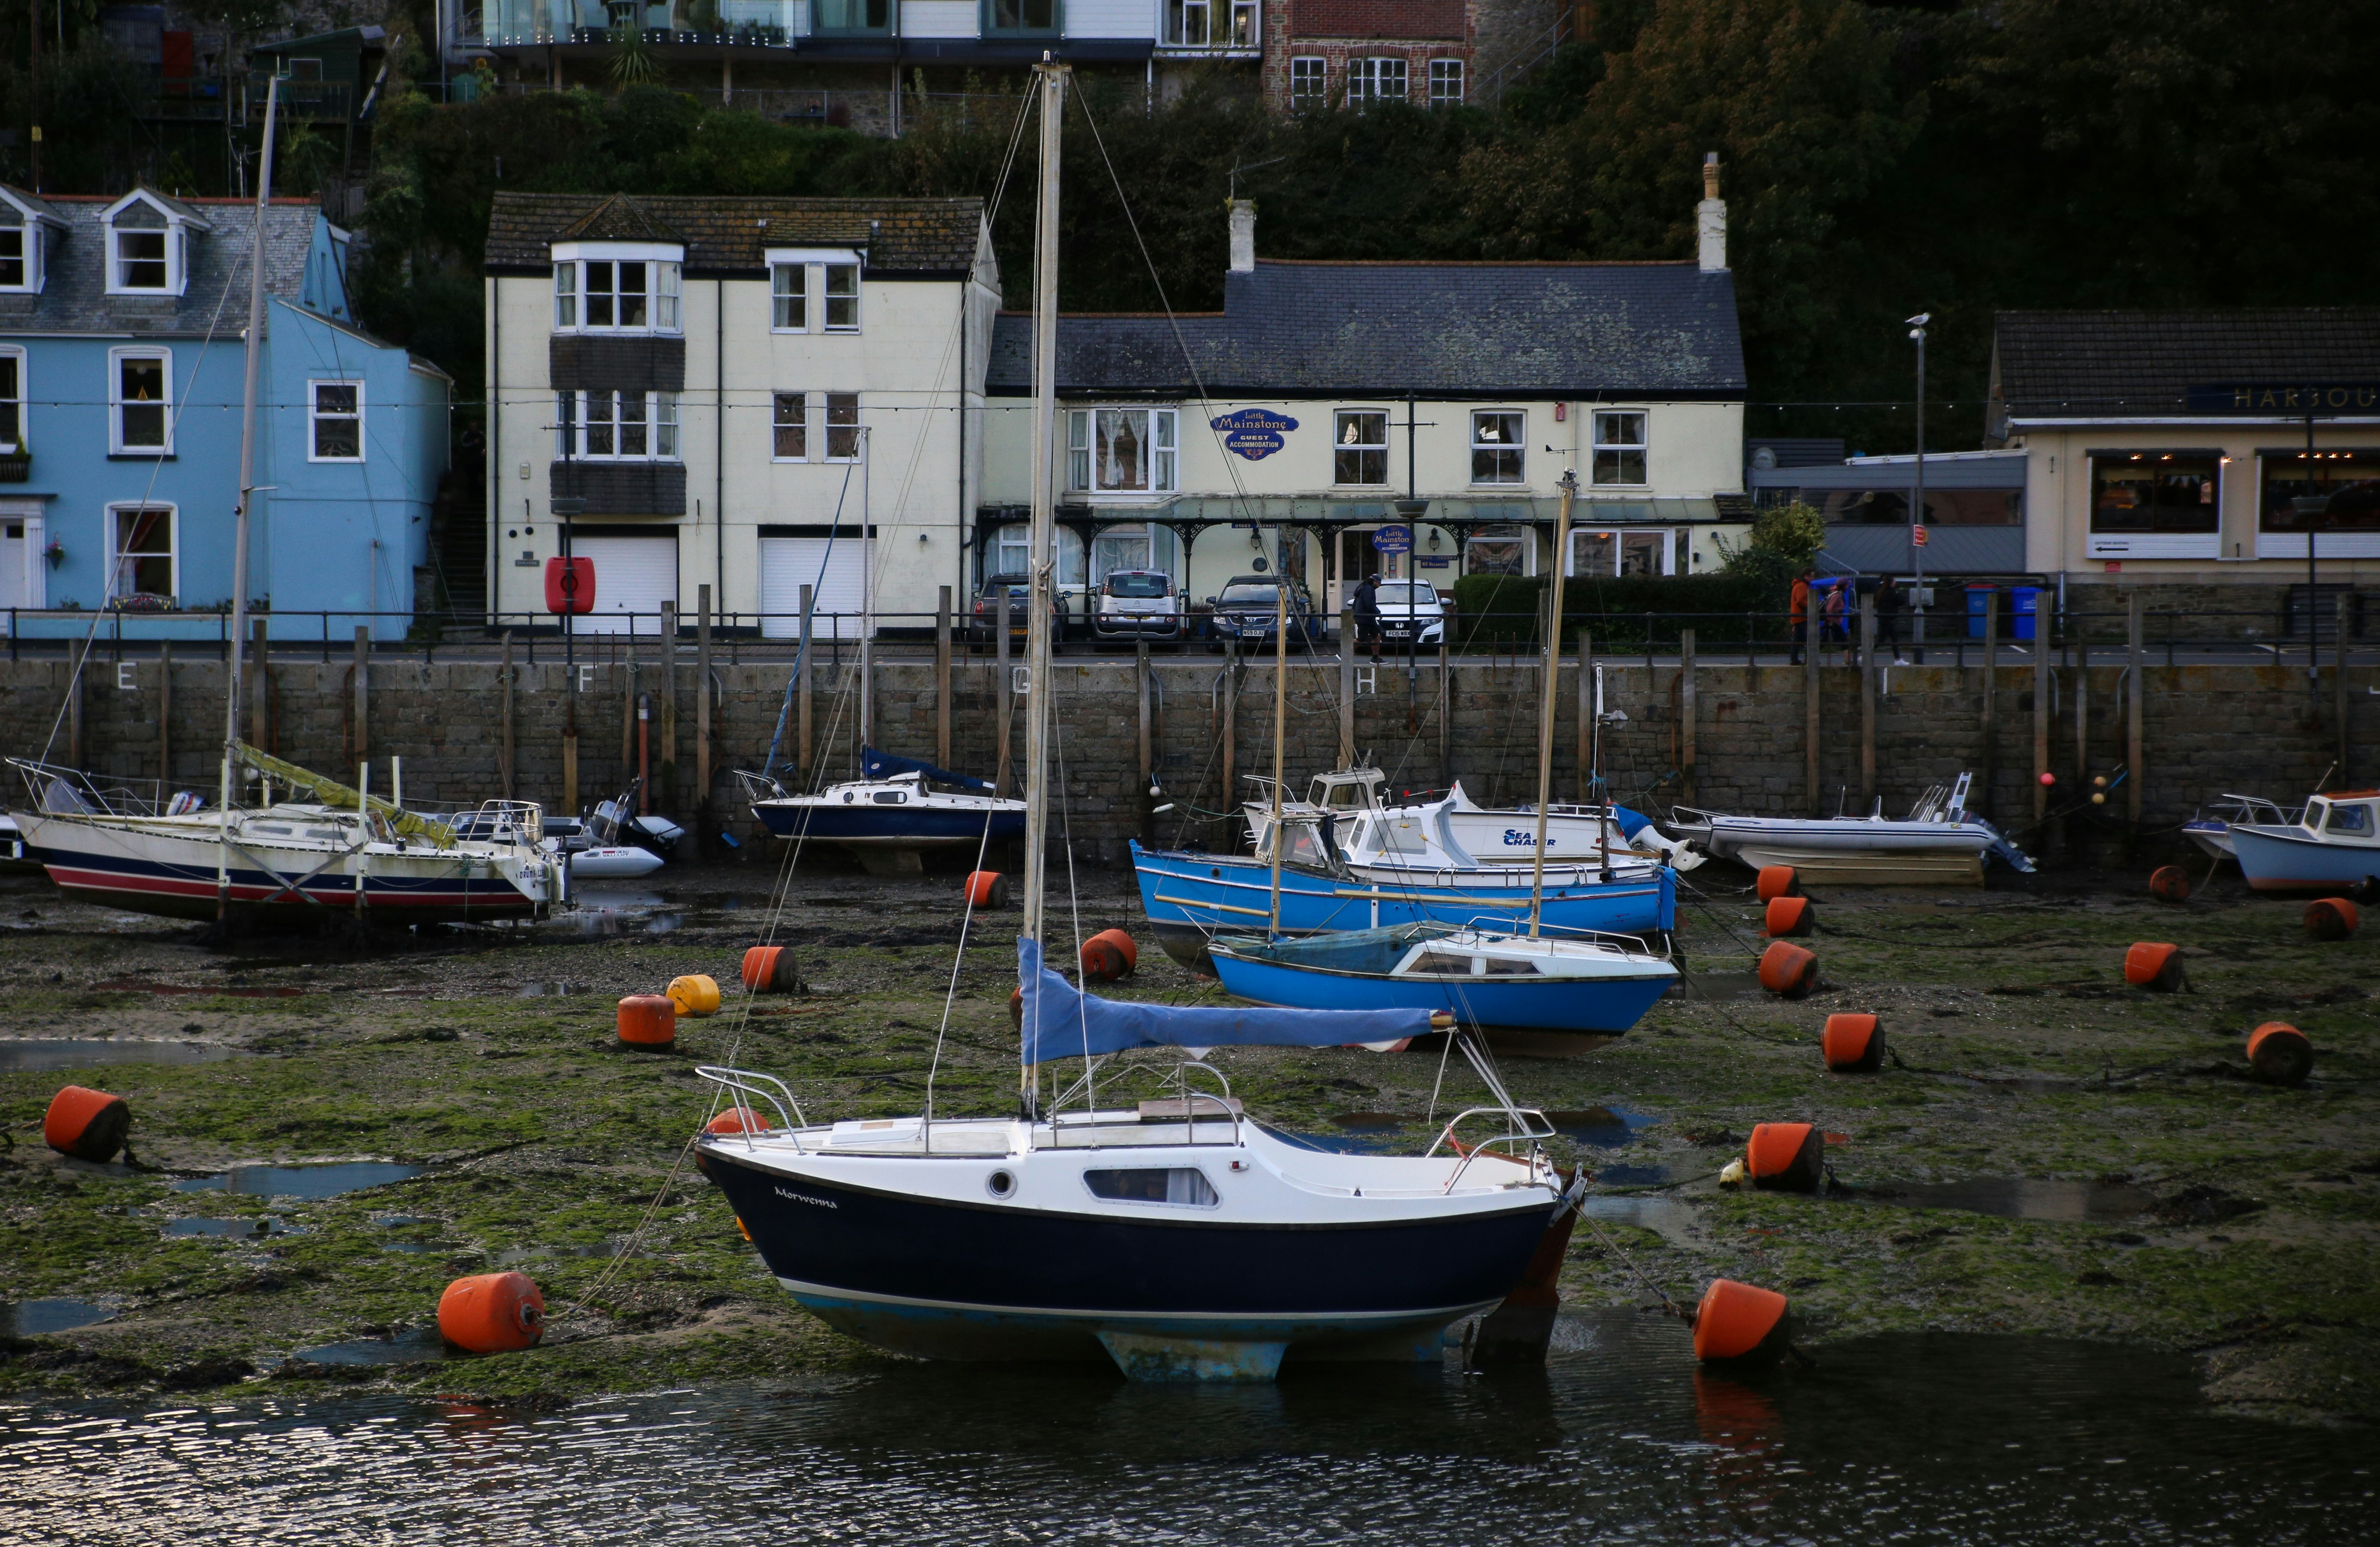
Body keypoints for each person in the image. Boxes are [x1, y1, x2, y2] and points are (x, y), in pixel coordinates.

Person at [1875, 576, 1906, 664]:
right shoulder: (1891, 593)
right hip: (1887, 619)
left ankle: (1898, 659)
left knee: (1892, 639)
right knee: (1882, 640)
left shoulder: (1882, 592)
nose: (1895, 583)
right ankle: (1864, 656)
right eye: (1894, 582)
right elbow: (1901, 601)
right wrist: (1898, 593)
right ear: (1891, 583)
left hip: (1884, 618)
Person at [1353, 571, 1382, 661]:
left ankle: (1375, 658)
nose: (1379, 586)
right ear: (1375, 582)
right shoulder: (1369, 589)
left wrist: (1354, 615)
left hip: (1364, 618)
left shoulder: (1362, 588)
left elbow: (1355, 603)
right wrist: (1378, 613)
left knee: (1378, 635)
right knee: (1361, 639)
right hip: (1366, 618)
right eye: (1379, 583)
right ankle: (1343, 652)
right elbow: (1369, 604)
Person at [1788, 568, 1813, 665]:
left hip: (1796, 615)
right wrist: (1810, 606)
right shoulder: (1803, 586)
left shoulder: (1798, 585)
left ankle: (1794, 659)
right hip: (1802, 616)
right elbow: (1800, 600)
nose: (1813, 579)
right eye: (1811, 576)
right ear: (1806, 576)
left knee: (1797, 638)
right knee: (1810, 637)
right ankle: (1809, 659)